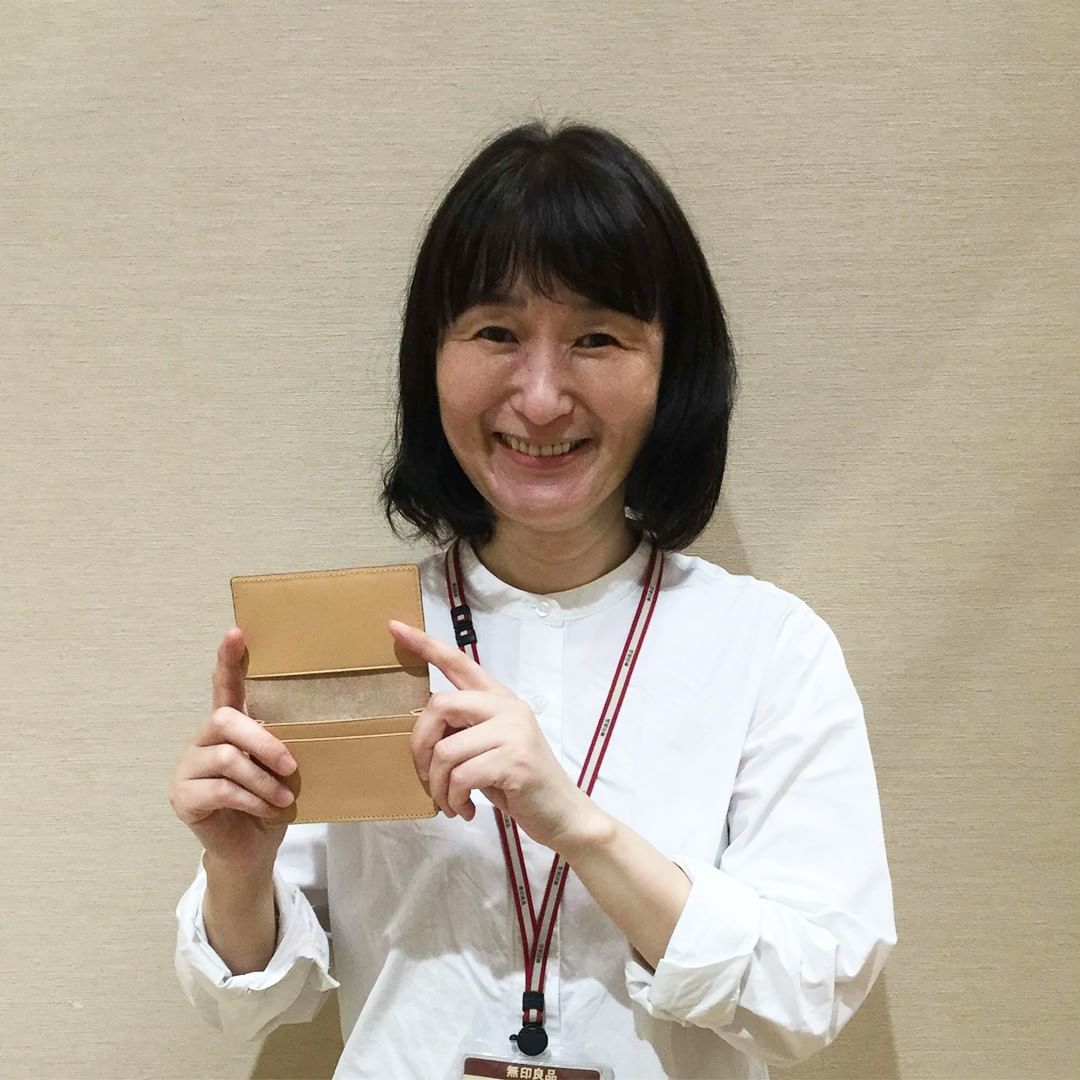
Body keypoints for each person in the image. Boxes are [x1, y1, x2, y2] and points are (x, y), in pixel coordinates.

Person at [170, 118, 896, 1079]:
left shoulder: (768, 647)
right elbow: (257, 1002)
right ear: (431, 360)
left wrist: (578, 826)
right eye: (496, 334)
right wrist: (237, 869)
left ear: (673, 367)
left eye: (597, 338)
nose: (543, 397)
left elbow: (806, 996)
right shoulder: (359, 634)